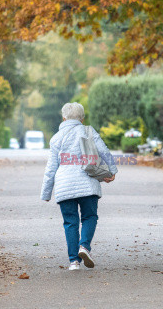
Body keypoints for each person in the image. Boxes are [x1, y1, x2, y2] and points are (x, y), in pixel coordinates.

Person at [40, 102, 118, 270]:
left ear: (63, 118)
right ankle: (84, 246)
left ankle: (74, 261)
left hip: (64, 186)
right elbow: (103, 151)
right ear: (82, 119)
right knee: (90, 217)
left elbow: (51, 168)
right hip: (87, 183)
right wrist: (111, 171)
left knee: (70, 222)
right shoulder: (88, 131)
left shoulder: (56, 138)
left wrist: (46, 193)